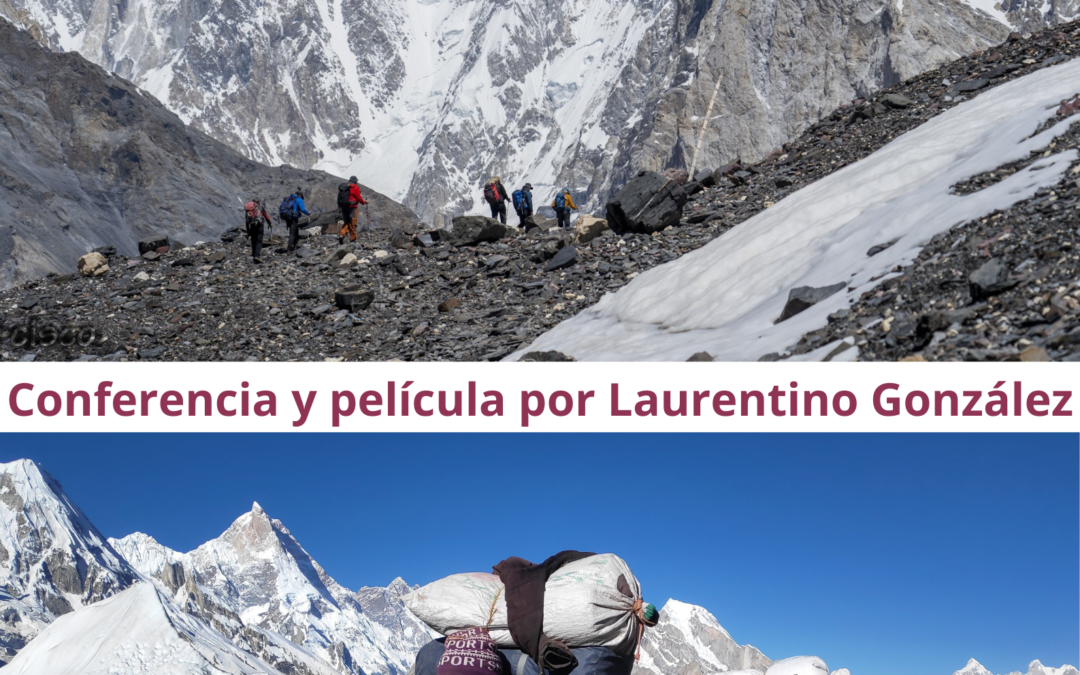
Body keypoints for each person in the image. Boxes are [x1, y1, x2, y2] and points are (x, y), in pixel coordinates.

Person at [337, 176, 367, 245]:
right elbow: (359, 198)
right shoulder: (355, 187)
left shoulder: (345, 187)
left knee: (346, 222)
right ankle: (353, 239)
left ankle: (342, 234)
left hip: (344, 207)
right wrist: (364, 202)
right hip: (352, 207)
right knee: (353, 222)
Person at [280, 188, 311, 252]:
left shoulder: (290, 199)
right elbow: (302, 209)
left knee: (295, 231)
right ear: (300, 195)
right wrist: (308, 213)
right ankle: (290, 249)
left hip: (287, 217)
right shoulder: (298, 199)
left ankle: (295, 245)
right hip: (293, 217)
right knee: (292, 233)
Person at [244, 198, 273, 263]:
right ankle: (257, 256)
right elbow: (266, 216)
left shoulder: (249, 210)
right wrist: (270, 223)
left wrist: (248, 232)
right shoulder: (261, 208)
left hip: (251, 227)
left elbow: (247, 221)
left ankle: (253, 254)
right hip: (259, 226)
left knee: (253, 240)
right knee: (259, 241)